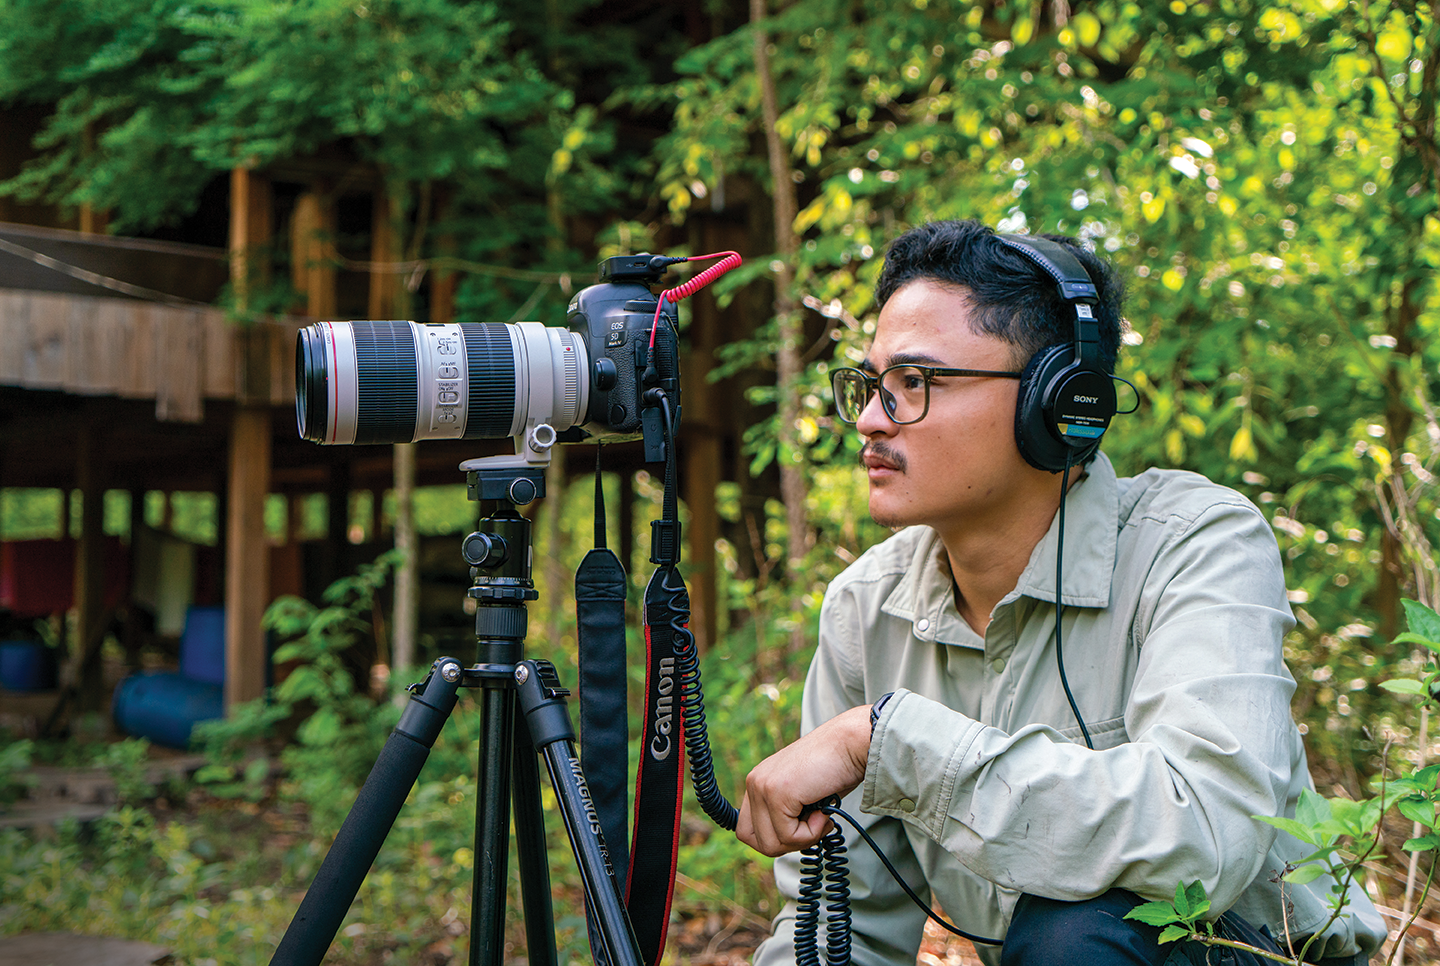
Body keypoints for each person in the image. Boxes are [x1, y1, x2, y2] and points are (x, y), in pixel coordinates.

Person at [737, 220, 1386, 966]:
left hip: (1243, 953)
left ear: (1059, 401)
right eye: (871, 383)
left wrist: (888, 742)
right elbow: (843, 928)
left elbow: (1207, 838)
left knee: (1077, 931)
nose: (869, 418)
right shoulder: (865, 608)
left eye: (914, 383)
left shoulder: (1196, 542)